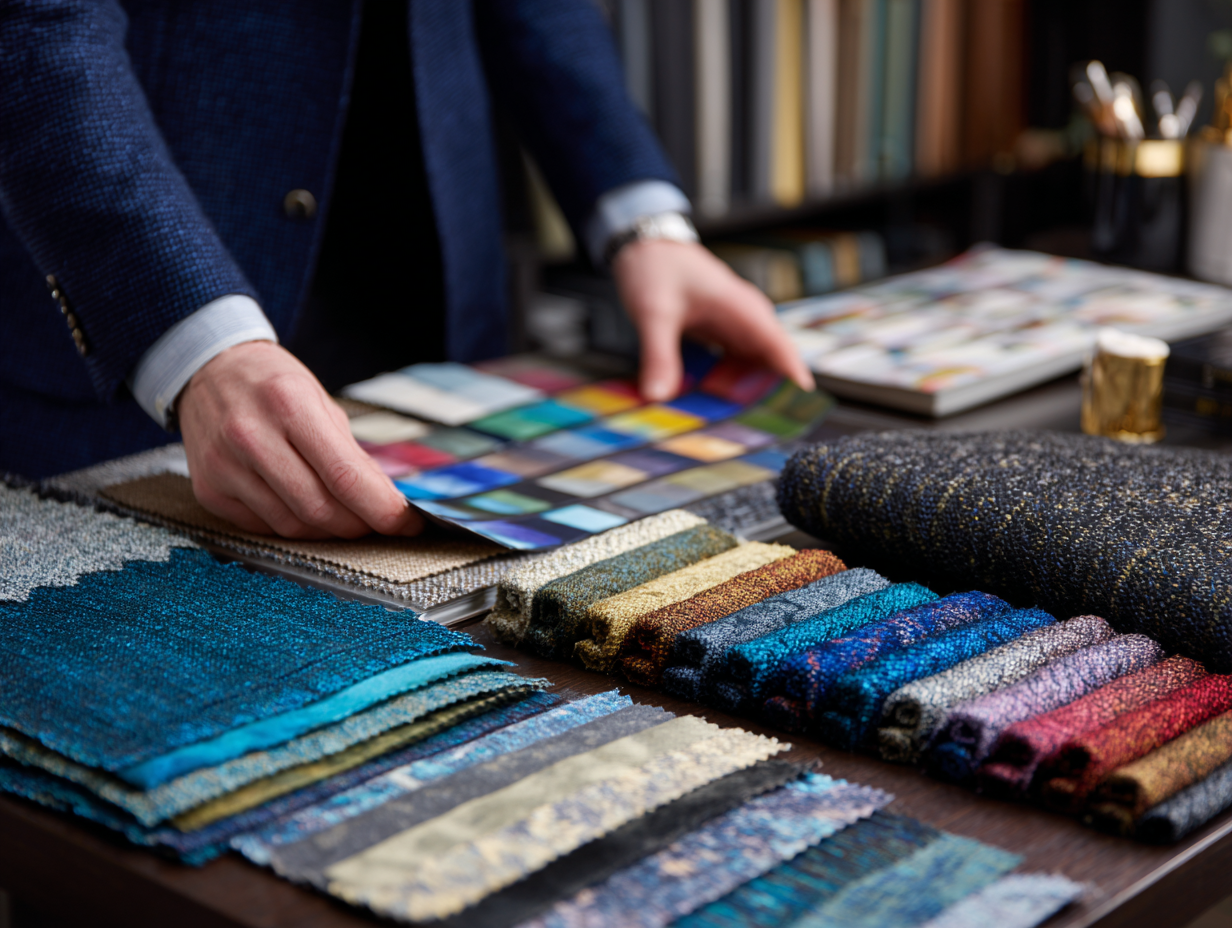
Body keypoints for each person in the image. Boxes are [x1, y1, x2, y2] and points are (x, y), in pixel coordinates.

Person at [0, 0, 812, 539]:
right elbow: (34, 28)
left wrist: (642, 221)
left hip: (445, 332)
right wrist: (193, 339)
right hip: (142, 364)